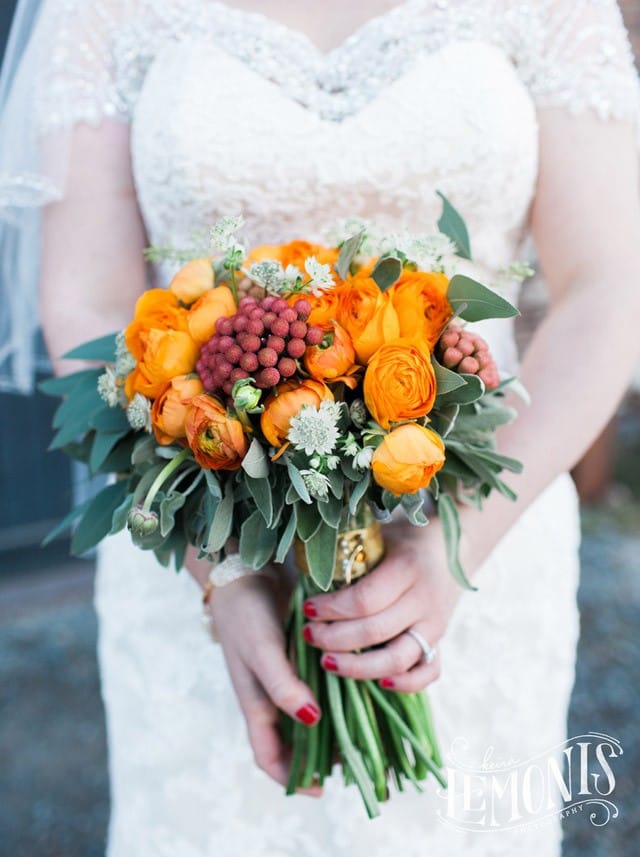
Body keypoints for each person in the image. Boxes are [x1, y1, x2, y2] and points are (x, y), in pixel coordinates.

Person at [1, 1, 639, 854]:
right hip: (201, 541)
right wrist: (222, 571)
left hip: (481, 534)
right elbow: (89, 305)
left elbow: (609, 283)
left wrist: (455, 546)